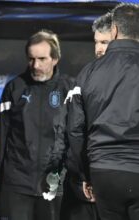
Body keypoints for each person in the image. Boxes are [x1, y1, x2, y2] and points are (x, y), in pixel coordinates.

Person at [66, 3, 139, 220]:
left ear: (114, 30)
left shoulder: (88, 72)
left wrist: (83, 175)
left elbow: (75, 130)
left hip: (103, 171)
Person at [0, 30, 73, 220]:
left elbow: (77, 137)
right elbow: (1, 136)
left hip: (55, 185)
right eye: (31, 59)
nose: (36, 65)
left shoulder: (69, 89)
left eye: (42, 59)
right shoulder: (15, 87)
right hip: (18, 183)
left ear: (55, 59)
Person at [56, 12, 113, 220]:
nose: (98, 48)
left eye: (105, 42)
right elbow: (72, 131)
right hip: (85, 181)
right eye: (96, 42)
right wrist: (82, 176)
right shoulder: (84, 77)